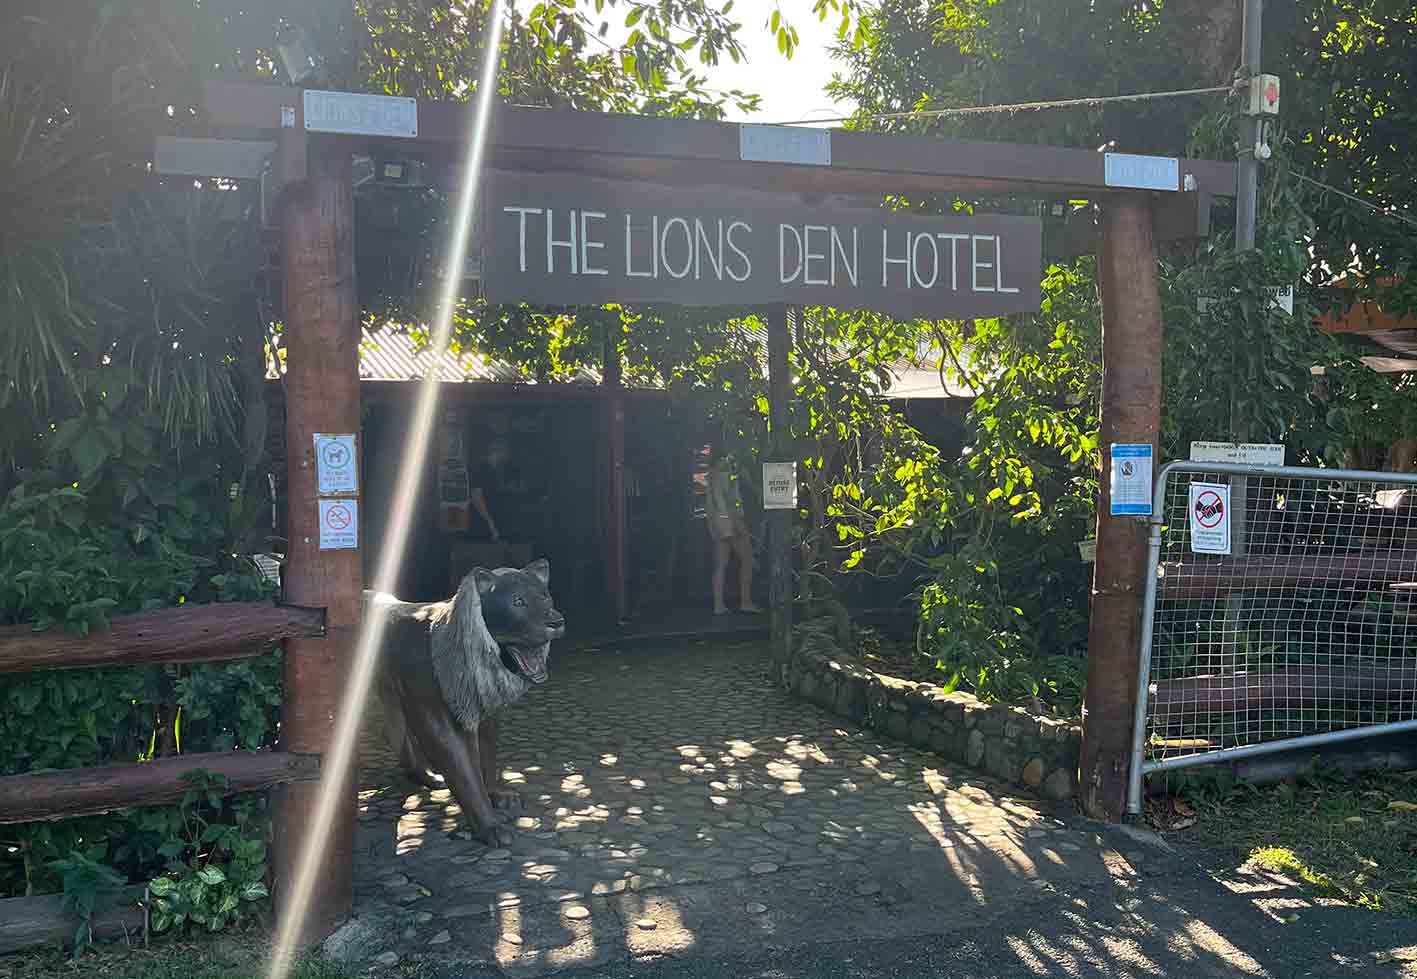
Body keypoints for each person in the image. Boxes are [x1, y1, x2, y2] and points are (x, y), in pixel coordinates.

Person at [704, 446, 760, 615]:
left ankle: (718, 605)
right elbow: (730, 499)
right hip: (730, 521)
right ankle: (746, 601)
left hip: (718, 522)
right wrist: (737, 522)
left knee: (721, 564)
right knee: (748, 559)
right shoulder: (727, 468)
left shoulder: (712, 472)